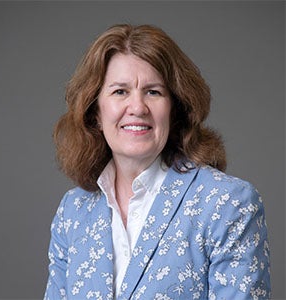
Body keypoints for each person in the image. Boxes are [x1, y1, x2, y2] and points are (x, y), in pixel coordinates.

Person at [44, 24, 270, 299]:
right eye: (120, 92)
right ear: (95, 114)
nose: (137, 107)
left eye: (153, 91)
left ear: (175, 110)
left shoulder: (227, 204)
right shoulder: (73, 212)